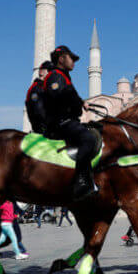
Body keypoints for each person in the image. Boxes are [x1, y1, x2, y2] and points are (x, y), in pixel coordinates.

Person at [43, 45, 96, 201]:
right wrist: (76, 103)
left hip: (67, 120)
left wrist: (81, 102)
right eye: (71, 58)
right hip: (60, 122)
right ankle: (80, 181)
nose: (73, 61)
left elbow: (69, 94)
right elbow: (58, 95)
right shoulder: (55, 76)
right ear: (61, 59)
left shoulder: (64, 76)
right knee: (88, 139)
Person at [26, 60, 53, 135]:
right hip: (42, 129)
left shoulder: (43, 88)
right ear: (42, 72)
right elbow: (39, 110)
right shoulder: (36, 88)